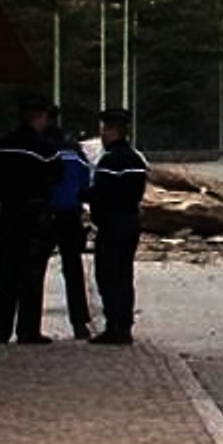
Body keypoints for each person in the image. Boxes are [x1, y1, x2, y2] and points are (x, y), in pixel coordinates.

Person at [0, 92, 63, 344]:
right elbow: (58, 175)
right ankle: (27, 329)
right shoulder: (44, 149)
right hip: (34, 214)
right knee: (31, 273)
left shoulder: (3, 145)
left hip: (8, 213)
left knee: (6, 273)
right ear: (40, 117)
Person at [85, 108, 150, 345]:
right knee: (124, 274)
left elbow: (101, 192)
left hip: (112, 223)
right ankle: (125, 325)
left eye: (104, 130)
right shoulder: (136, 160)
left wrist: (81, 195)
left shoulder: (110, 161)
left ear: (113, 131)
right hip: (131, 221)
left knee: (108, 275)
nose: (102, 135)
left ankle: (113, 325)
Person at [46, 104, 94, 340]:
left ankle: (27, 325)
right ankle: (80, 322)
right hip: (70, 214)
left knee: (33, 271)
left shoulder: (39, 147)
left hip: (43, 214)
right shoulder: (73, 150)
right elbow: (86, 181)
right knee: (73, 270)